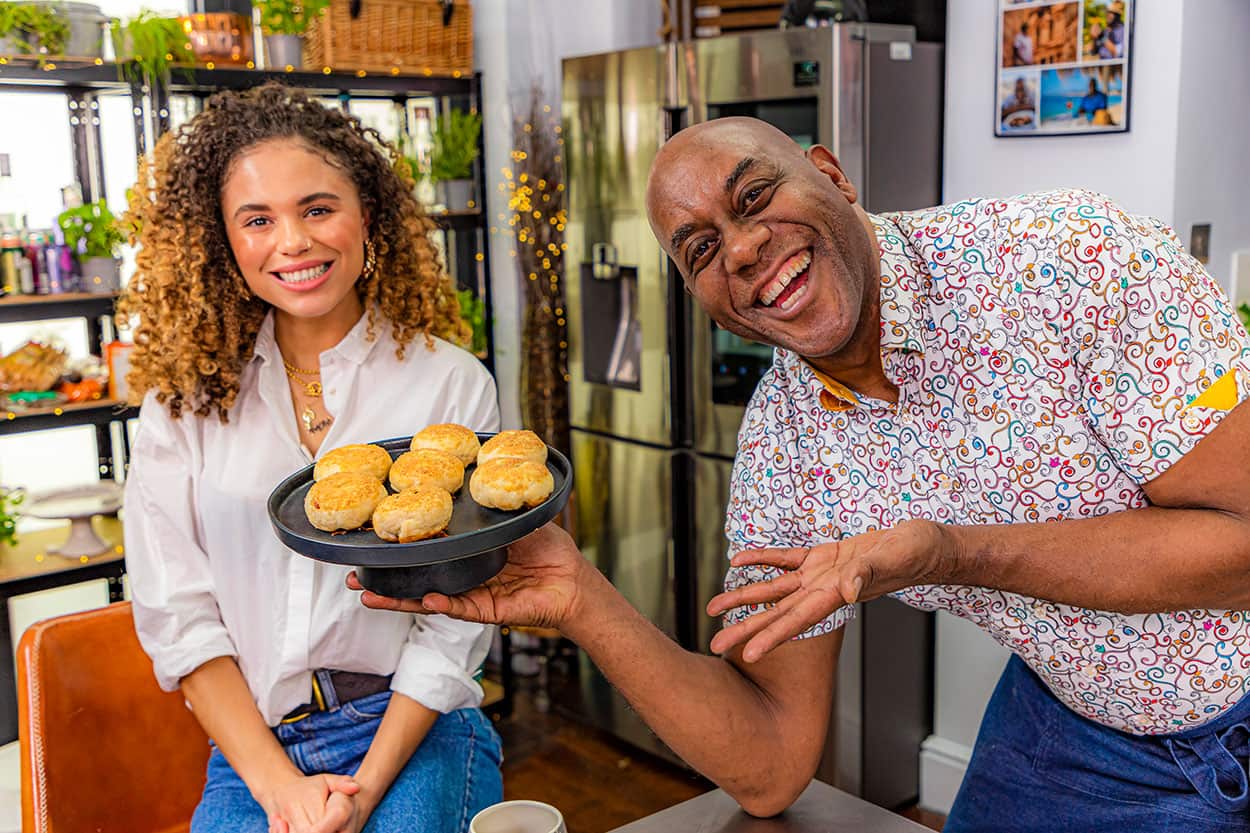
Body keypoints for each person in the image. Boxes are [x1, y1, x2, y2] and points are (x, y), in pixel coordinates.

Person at [354, 117, 1250, 832]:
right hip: (1072, 712)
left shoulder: (1069, 260)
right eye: (700, 250)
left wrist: (949, 552)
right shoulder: (786, 444)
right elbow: (773, 761)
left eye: (754, 196)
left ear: (832, 175)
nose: (741, 250)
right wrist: (580, 598)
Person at [122, 83, 503, 833]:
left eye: (318, 208)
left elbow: (456, 621)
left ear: (369, 216)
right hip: (253, 751)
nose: (293, 241)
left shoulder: (451, 384)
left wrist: (363, 791)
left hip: (412, 729)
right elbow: (177, 614)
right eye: (258, 219)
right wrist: (279, 790)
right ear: (224, 242)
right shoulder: (182, 401)